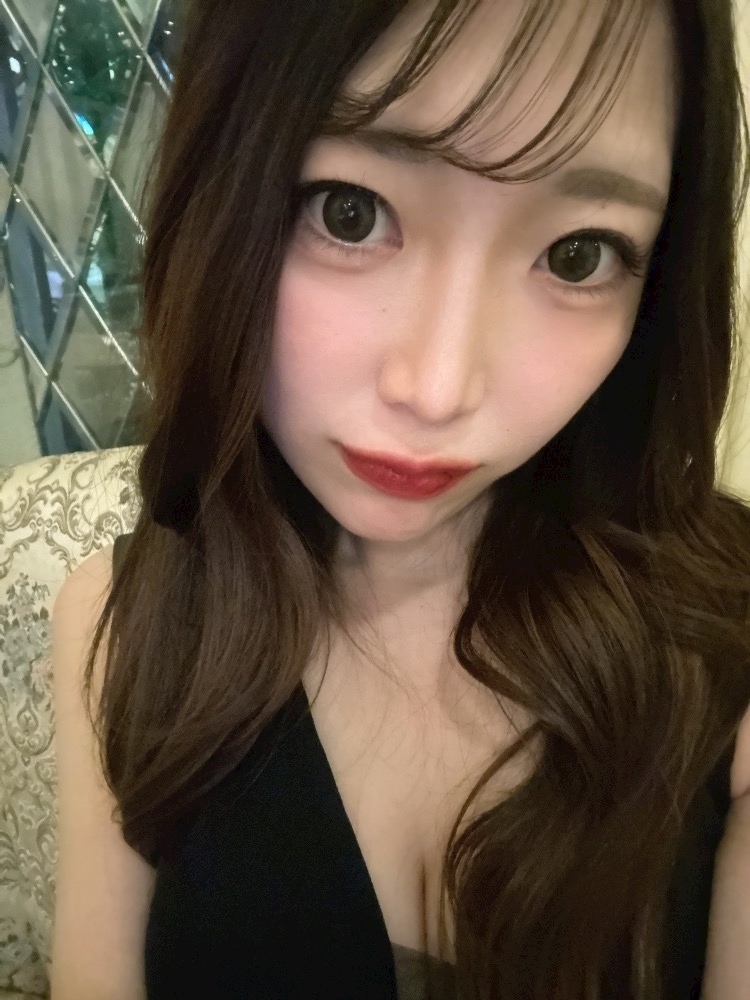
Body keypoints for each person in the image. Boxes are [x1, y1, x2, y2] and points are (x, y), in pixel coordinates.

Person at [49, 0, 750, 998]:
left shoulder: (726, 640)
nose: (438, 389)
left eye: (578, 254)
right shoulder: (122, 627)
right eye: (349, 211)